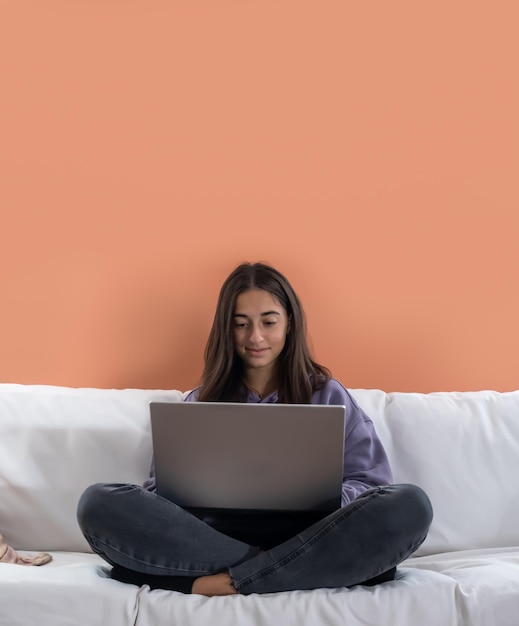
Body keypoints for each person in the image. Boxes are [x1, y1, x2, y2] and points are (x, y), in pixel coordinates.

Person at [77, 262, 433, 596]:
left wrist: (325, 500)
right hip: (213, 536)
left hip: (314, 533)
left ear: (289, 323)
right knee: (99, 502)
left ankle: (216, 582)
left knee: (410, 505)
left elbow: (371, 483)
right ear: (225, 328)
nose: (255, 336)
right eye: (241, 323)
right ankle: (290, 570)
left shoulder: (328, 394)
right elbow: (160, 493)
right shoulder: (199, 402)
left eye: (269, 321)